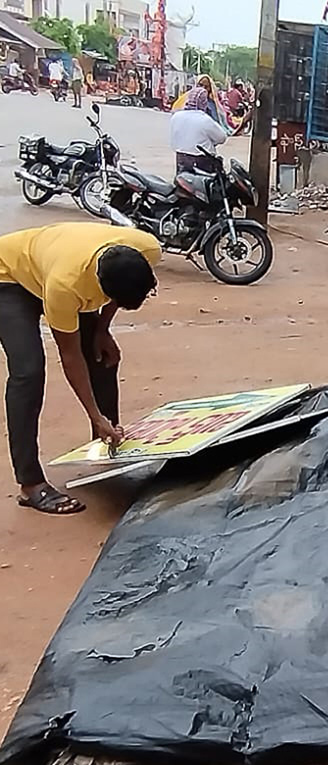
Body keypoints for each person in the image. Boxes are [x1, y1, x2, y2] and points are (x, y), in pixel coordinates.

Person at [0, 223, 161, 514]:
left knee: (101, 355)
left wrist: (102, 329)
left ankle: (107, 454)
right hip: (8, 276)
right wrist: (95, 415)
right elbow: (70, 355)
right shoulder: (67, 284)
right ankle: (31, 483)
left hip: (51, 261)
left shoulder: (147, 248)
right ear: (101, 286)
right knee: (29, 370)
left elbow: (117, 299)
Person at [171, 86, 228, 174]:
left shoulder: (176, 116)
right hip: (202, 161)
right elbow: (222, 138)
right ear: (204, 102)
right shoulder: (205, 119)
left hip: (181, 158)